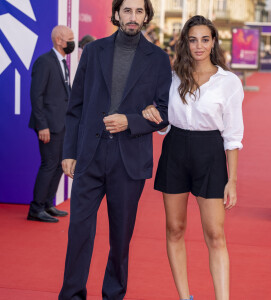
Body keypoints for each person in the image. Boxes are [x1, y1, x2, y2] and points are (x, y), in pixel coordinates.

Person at [59, 0, 172, 299]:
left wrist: (130, 121)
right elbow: (76, 106)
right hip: (90, 157)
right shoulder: (94, 51)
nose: (132, 17)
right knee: (79, 233)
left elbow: (163, 111)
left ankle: (113, 294)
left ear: (146, 15)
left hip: (129, 161)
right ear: (117, 14)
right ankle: (71, 295)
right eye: (127, 10)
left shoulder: (159, 59)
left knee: (120, 239)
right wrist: (69, 151)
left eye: (138, 11)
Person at [142, 15, 244, 300]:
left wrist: (232, 180)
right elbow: (165, 122)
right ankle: (185, 297)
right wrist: (155, 117)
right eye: (193, 39)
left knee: (215, 234)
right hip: (174, 151)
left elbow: (233, 136)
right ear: (185, 42)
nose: (199, 46)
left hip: (210, 153)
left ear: (213, 42)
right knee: (174, 229)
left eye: (205, 39)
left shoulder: (229, 82)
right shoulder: (172, 77)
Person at [27, 25, 75, 223]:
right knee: (49, 165)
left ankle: (47, 204)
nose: (73, 42)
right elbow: (36, 95)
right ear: (58, 40)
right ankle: (36, 209)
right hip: (49, 126)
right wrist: (42, 125)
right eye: (70, 38)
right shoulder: (44, 62)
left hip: (62, 125)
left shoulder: (62, 62)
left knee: (57, 166)